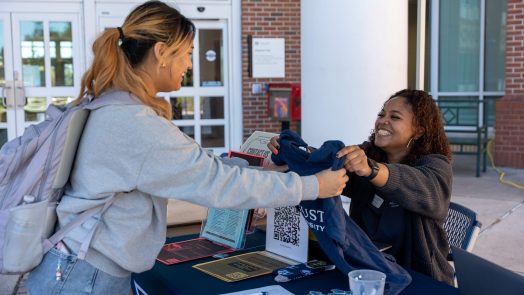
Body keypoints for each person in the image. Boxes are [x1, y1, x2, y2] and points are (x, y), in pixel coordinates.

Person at [26, 1, 348, 294]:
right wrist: (313, 186)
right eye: (188, 52)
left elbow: (195, 164)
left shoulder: (114, 107)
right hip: (84, 280)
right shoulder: (135, 124)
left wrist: (259, 169)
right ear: (162, 52)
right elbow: (218, 184)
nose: (190, 64)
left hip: (79, 268)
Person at [268, 89, 455, 285]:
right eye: (381, 114)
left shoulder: (436, 166)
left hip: (421, 280)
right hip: (365, 273)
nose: (383, 120)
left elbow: (424, 189)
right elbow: (329, 166)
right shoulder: (367, 154)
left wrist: (371, 169)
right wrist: (295, 154)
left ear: (419, 131)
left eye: (395, 117)